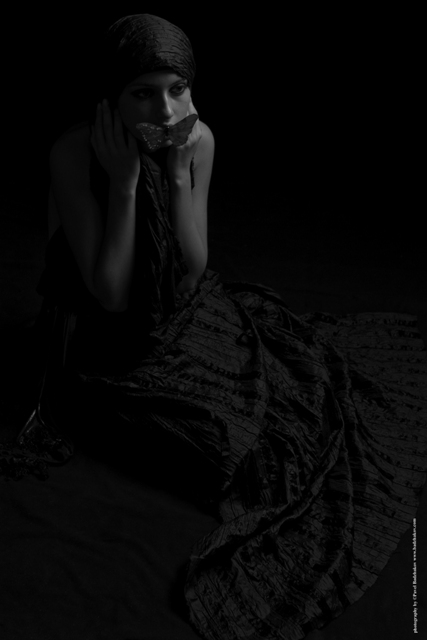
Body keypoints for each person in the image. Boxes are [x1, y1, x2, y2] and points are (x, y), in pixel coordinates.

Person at [1, 13, 427, 640]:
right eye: (142, 93)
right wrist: (124, 186)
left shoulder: (197, 141)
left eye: (178, 89)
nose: (166, 110)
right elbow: (110, 295)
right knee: (216, 443)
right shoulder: (74, 152)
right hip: (102, 340)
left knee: (297, 395)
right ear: (110, 98)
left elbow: (190, 272)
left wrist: (178, 176)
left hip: (178, 308)